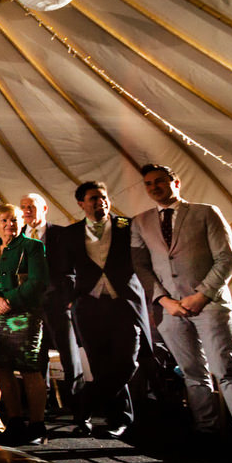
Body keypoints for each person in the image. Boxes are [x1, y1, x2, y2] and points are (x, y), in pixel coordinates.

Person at [130, 163, 232, 436]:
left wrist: (202, 295)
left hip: (210, 304)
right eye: (148, 183)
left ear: (176, 183)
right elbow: (141, 266)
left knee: (225, 370)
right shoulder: (140, 221)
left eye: (160, 181)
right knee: (192, 373)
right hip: (170, 309)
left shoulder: (206, 212)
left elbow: (226, 257)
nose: (154, 187)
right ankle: (207, 429)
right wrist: (164, 300)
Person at [55, 182, 150, 438]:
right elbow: (64, 270)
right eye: (94, 198)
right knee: (100, 365)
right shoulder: (71, 233)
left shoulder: (128, 225)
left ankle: (83, 406)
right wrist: (71, 298)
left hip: (125, 304)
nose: (101, 202)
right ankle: (118, 419)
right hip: (89, 307)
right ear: (81, 203)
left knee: (127, 361)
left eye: (104, 197)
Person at [0, 203, 50, 445]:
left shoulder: (32, 247)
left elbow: (38, 281)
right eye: (4, 220)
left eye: (14, 220)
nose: (10, 224)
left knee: (29, 368)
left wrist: (8, 300)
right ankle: (15, 423)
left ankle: (37, 426)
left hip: (24, 314)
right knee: (1, 368)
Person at [20, 193, 82, 421]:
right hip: (30, 309)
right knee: (37, 359)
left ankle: (79, 411)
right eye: (23, 207)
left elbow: (75, 269)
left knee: (70, 357)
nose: (27, 210)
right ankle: (41, 406)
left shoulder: (62, 234)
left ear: (44, 208)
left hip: (58, 305)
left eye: (31, 206)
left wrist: (69, 297)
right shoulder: (17, 236)